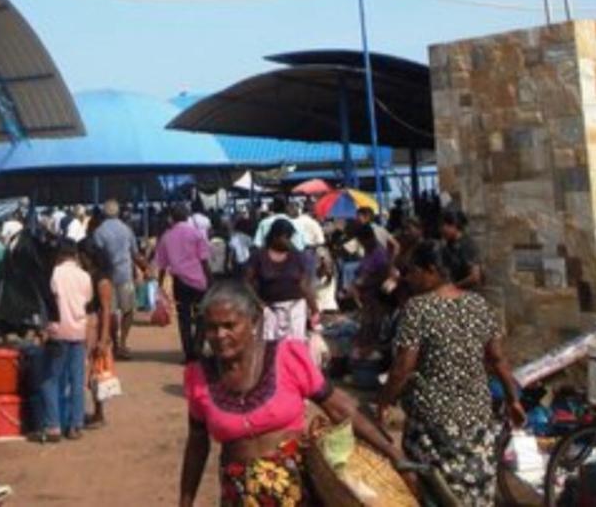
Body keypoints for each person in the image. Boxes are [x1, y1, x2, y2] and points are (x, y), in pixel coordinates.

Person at [179, 280, 403, 506]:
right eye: (211, 327)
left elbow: (340, 407)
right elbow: (197, 445)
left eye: (229, 325)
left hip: (297, 492)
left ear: (254, 320)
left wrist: (391, 451)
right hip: (238, 496)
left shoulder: (287, 356)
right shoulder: (199, 376)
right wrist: (185, 502)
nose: (220, 335)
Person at [378, 240, 524, 507]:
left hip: (433, 422)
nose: (408, 278)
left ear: (432, 270)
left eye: (413, 271)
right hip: (477, 415)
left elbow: (403, 367)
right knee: (475, 487)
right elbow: (497, 358)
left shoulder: (418, 308)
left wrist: (384, 400)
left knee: (435, 488)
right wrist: (513, 398)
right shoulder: (478, 304)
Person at [33, 239, 93, 443]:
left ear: (59, 255)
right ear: (75, 255)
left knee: (50, 379)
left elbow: (48, 302)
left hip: (58, 332)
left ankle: (53, 425)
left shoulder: (54, 274)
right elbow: (86, 301)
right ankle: (75, 425)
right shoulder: (84, 276)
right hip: (78, 331)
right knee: (76, 380)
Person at [155, 204, 211, 362]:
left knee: (184, 317)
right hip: (199, 281)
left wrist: (160, 284)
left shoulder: (166, 236)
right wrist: (210, 281)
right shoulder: (197, 234)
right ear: (187, 217)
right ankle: (198, 347)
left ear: (171, 218)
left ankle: (188, 353)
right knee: (202, 315)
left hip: (179, 282)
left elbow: (162, 264)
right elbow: (204, 260)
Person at [92, 199, 146, 359]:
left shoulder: (99, 232)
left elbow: (97, 255)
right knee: (128, 310)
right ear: (118, 213)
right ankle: (123, 343)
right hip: (124, 274)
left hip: (106, 276)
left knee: (110, 311)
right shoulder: (126, 230)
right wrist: (144, 267)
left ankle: (114, 342)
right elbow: (134, 253)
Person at [246, 218, 316, 341]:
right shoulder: (259, 256)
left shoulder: (297, 256)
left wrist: (314, 309)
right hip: (270, 310)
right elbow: (247, 283)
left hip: (296, 309)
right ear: (275, 236)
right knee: (271, 347)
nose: (289, 241)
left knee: (294, 346)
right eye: (286, 237)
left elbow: (305, 285)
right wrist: (259, 304)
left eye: (290, 238)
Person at [78, 240, 113, 428]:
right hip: (89, 325)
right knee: (91, 371)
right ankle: (94, 412)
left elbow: (106, 309)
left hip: (95, 326)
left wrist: (103, 338)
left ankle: (99, 413)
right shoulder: (89, 276)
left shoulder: (101, 279)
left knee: (96, 371)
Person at [349, 223, 392, 355]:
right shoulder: (369, 252)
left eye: (362, 241)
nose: (362, 244)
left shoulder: (380, 254)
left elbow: (383, 276)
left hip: (376, 298)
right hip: (367, 298)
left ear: (369, 238)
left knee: (375, 329)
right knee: (366, 328)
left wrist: (364, 283)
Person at [440, 208, 484, 289]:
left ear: (456, 225)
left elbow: (475, 277)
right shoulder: (448, 246)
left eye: (447, 225)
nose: (443, 229)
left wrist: (454, 287)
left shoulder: (467, 245)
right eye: (442, 225)